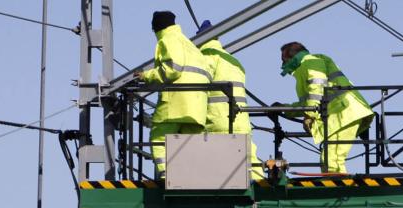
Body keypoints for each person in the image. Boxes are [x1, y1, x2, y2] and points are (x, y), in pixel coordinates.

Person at [136, 11, 211, 178]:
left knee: (159, 137)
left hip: (176, 101)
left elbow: (173, 69)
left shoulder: (167, 39)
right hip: (196, 107)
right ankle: (192, 178)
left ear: (157, 27)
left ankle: (165, 175)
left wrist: (146, 76)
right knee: (189, 143)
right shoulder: (189, 44)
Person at [278, 42, 374, 174]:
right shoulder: (307, 66)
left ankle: (339, 190)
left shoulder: (311, 63)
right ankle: (337, 187)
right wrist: (285, 109)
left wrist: (310, 116)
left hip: (344, 113)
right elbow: (309, 103)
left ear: (293, 57)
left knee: (332, 160)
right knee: (329, 160)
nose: (283, 64)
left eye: (284, 60)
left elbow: (316, 92)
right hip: (342, 114)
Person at [196, 20, 264, 179]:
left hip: (218, 120)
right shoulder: (233, 60)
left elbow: (199, 85)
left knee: (214, 167)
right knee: (248, 159)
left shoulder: (207, 56)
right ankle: (262, 187)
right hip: (240, 119)